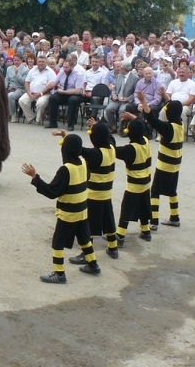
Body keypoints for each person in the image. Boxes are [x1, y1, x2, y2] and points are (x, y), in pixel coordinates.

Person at [22, 134, 101, 284]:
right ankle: (93, 265)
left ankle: (59, 273)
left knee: (58, 242)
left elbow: (52, 191)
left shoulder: (65, 170)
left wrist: (35, 177)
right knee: (84, 239)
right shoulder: (83, 163)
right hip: (82, 210)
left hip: (68, 213)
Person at [53, 122, 119, 261]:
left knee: (87, 226)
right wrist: (98, 126)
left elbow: (76, 149)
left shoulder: (95, 154)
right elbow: (108, 138)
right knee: (109, 220)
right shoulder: (112, 147)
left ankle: (85, 254)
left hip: (93, 194)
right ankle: (113, 248)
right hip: (107, 193)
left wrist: (66, 137)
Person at [124, 95, 183, 233]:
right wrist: (166, 97)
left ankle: (154, 221)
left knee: (155, 191)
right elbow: (173, 107)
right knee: (172, 191)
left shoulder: (168, 128)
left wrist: (143, 101)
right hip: (175, 164)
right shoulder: (180, 123)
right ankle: (175, 217)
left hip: (165, 165)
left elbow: (152, 119)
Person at [112, 119, 152, 246]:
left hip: (134, 185)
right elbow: (143, 127)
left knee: (126, 210)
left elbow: (111, 149)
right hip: (146, 183)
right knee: (144, 206)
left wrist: (101, 132)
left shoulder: (130, 149)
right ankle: (146, 231)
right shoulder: (145, 140)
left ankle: (120, 235)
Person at [45, 59, 84, 131]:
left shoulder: (78, 74)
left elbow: (78, 91)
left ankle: (70, 124)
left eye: (67, 67)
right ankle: (52, 122)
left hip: (74, 94)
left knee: (73, 100)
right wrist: (50, 85)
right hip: (63, 92)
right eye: (64, 67)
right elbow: (55, 82)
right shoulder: (62, 72)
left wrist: (63, 92)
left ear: (72, 67)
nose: (65, 69)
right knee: (52, 98)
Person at [18, 54, 56, 124]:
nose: (41, 63)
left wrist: (40, 94)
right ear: (37, 62)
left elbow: (50, 87)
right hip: (31, 93)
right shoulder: (32, 70)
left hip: (45, 94)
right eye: (39, 61)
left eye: (42, 61)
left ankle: (38, 120)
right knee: (21, 100)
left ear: (46, 62)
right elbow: (26, 82)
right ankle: (31, 117)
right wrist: (29, 92)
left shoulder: (51, 72)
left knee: (40, 103)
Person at [5, 54, 29, 121]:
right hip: (10, 87)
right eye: (15, 60)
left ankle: (13, 114)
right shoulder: (9, 68)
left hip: (20, 88)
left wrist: (17, 73)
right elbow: (7, 79)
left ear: (21, 60)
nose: (16, 62)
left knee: (10, 96)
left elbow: (23, 82)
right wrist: (4, 87)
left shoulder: (25, 70)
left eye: (18, 60)